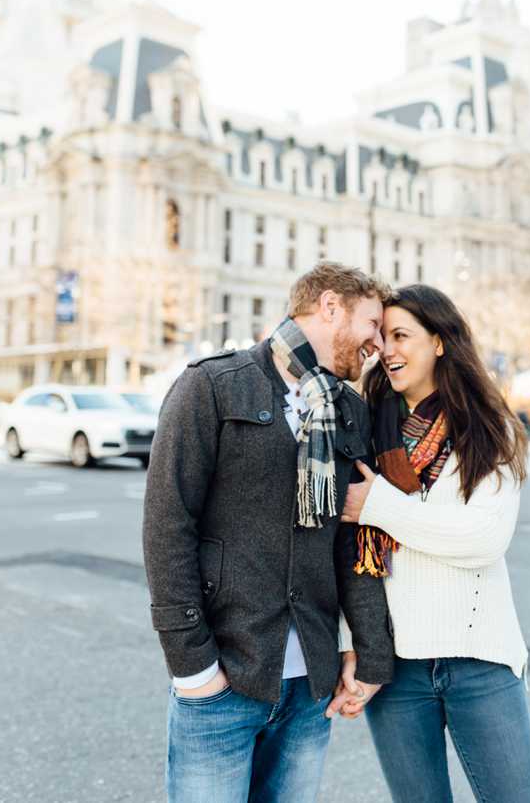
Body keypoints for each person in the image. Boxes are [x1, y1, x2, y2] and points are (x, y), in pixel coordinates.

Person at [143, 262, 396, 803]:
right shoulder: (211, 386)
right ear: (330, 307)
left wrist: (370, 657)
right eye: (372, 324)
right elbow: (167, 526)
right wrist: (193, 668)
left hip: (310, 688)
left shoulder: (349, 410)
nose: (377, 343)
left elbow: (355, 544)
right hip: (223, 679)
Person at [338, 284, 530, 803]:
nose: (388, 350)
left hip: (480, 661)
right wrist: (354, 646)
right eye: (382, 337)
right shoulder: (364, 431)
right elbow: (347, 558)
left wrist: (378, 505)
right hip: (397, 670)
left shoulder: (487, 430)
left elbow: (482, 538)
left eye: (402, 335)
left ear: (441, 342)